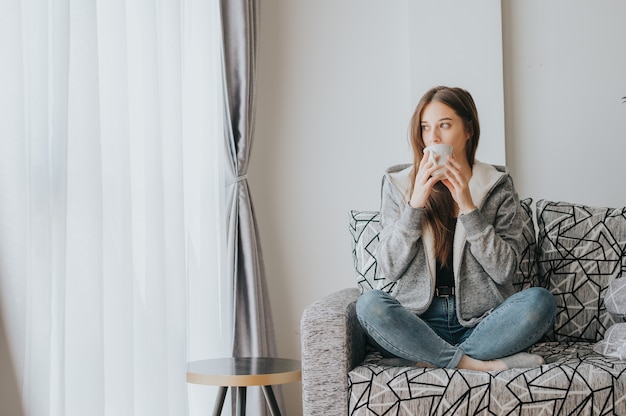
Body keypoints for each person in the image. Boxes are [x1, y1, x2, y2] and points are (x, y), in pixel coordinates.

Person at [356, 86, 556, 370]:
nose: (433, 137)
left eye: (444, 125)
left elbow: (504, 270)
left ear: (468, 130)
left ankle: (427, 359)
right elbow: (389, 267)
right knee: (369, 305)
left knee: (540, 301)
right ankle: (475, 365)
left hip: (482, 323)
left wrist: (469, 207)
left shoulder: (497, 185)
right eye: (426, 128)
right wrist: (415, 206)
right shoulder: (399, 184)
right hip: (417, 323)